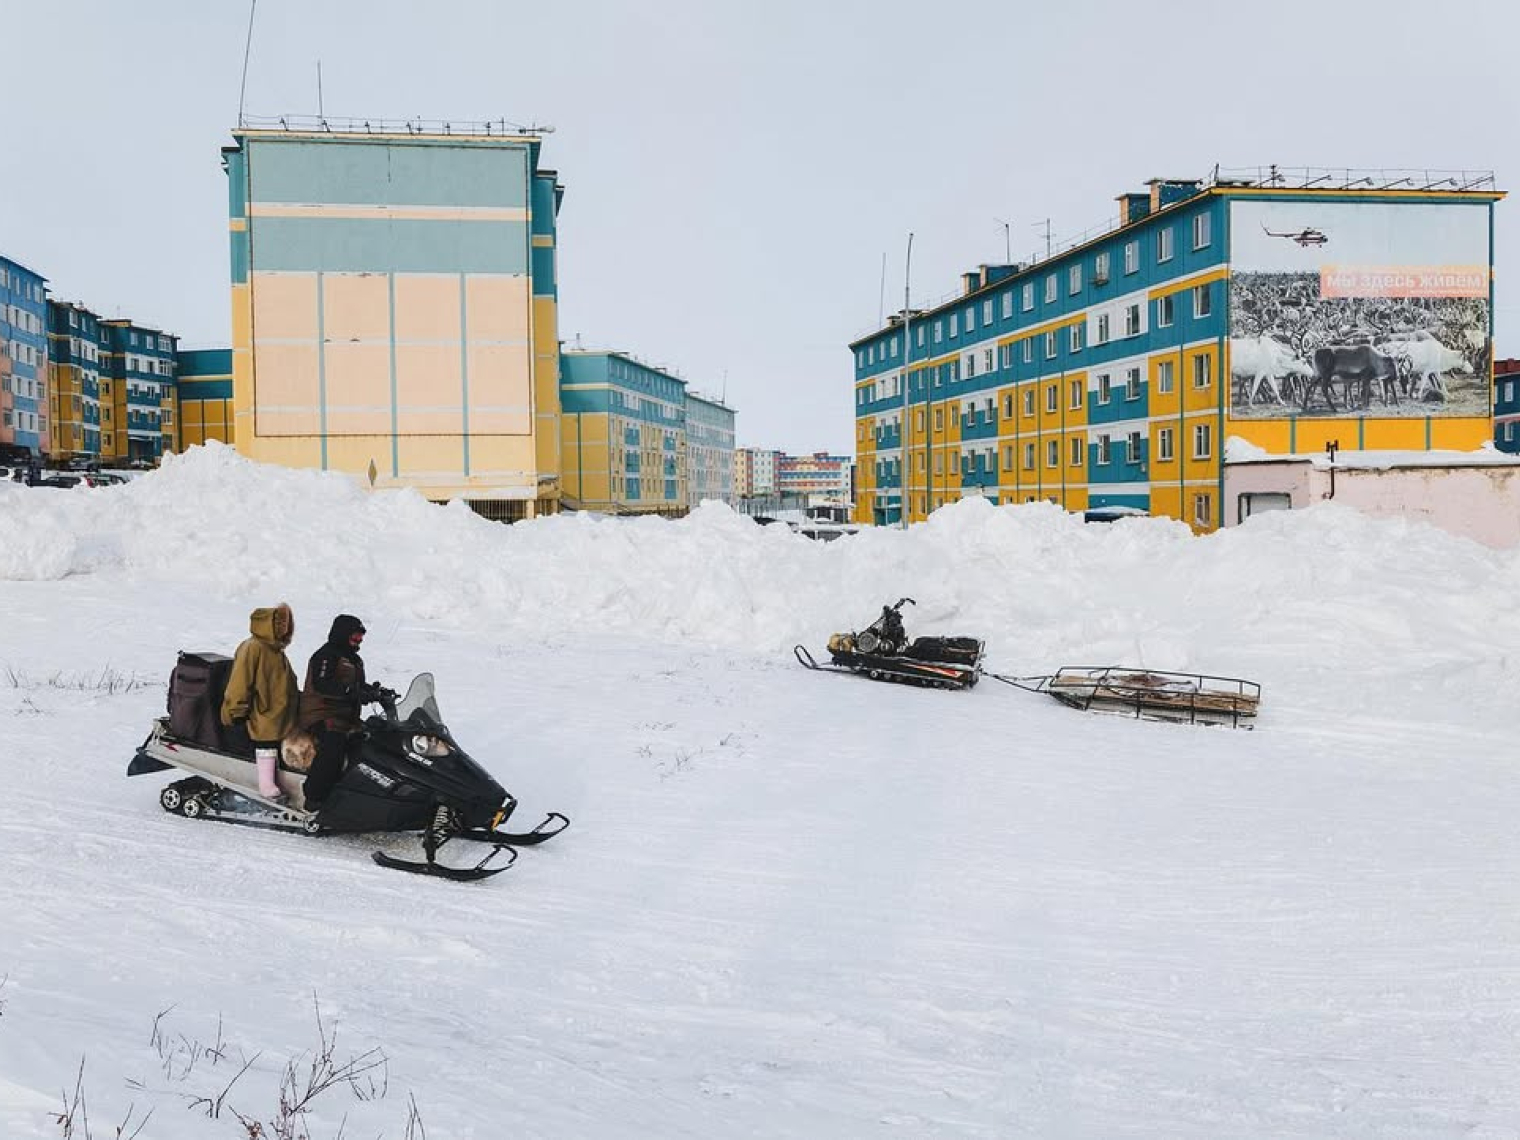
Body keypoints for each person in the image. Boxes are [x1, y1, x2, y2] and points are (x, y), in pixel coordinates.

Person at [298, 614, 381, 809]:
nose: (359, 640)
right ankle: (314, 797)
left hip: (345, 716)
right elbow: (322, 684)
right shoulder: (326, 655)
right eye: (355, 636)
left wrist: (375, 692)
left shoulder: (354, 659)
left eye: (361, 637)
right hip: (321, 713)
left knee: (371, 741)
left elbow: (357, 685)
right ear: (343, 634)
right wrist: (352, 693)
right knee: (333, 746)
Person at [220, 603, 299, 804]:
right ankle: (266, 785)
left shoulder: (276, 651)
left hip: (279, 713)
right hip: (261, 714)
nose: (285, 629)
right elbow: (240, 682)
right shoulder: (253, 647)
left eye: (288, 625)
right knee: (266, 742)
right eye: (281, 624)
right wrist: (235, 712)